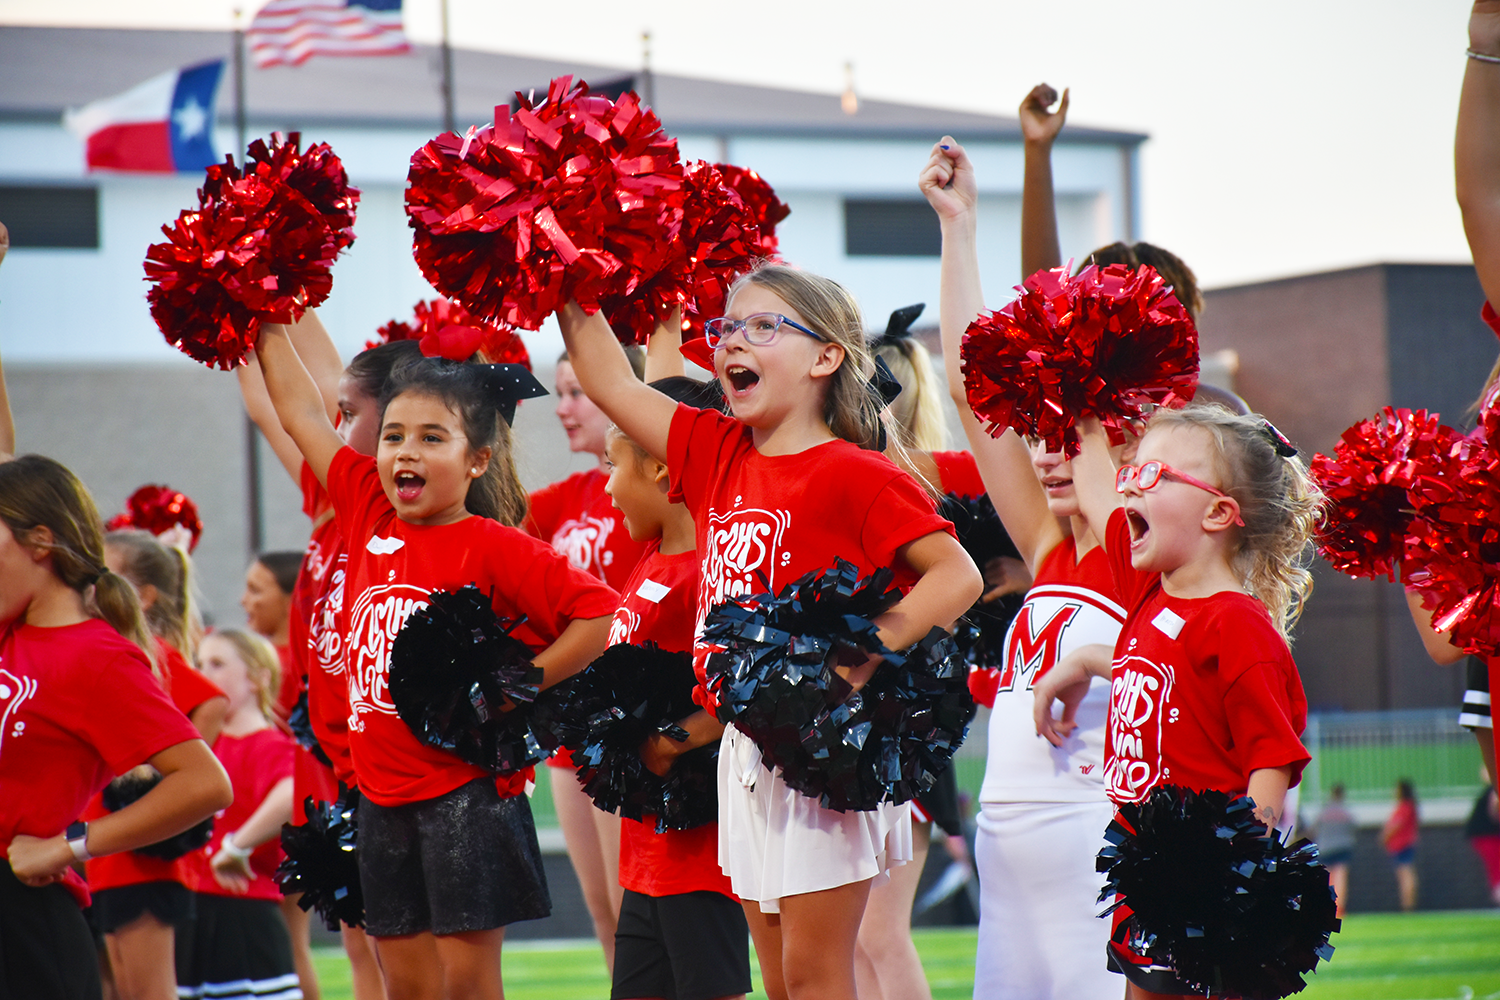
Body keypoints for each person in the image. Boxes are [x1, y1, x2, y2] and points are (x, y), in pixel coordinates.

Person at [557, 263, 982, 1000]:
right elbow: (611, 385)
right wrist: (559, 267)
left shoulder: (855, 472)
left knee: (817, 978)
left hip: (819, 754)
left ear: (825, 358)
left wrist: (855, 658)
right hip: (741, 749)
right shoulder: (714, 450)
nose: (730, 343)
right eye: (726, 328)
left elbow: (957, 575)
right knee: (783, 982)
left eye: (762, 327)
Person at [254, 319, 619, 1000]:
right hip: (377, 795)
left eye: (430, 438)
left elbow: (599, 614)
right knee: (406, 986)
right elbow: (301, 412)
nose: (403, 453)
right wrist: (261, 316)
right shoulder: (364, 506)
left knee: (467, 984)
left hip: (465, 797)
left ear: (477, 459)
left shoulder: (491, 544)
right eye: (392, 436)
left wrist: (513, 689)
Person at [920, 134, 1128, 1000]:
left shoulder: (1127, 555)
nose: (1045, 453)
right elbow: (972, 392)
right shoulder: (1050, 552)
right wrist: (959, 228)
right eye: (1039, 435)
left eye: (1068, 435)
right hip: (1008, 867)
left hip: (1096, 856)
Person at [1031, 406, 1319, 999]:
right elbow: (1170, 672)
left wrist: (1244, 876)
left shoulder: (1236, 624)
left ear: (1217, 512)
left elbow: (1271, 757)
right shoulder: (1150, 591)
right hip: (1144, 862)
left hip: (1205, 876)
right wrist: (1086, 660)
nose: (1130, 482)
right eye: (1131, 470)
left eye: (1154, 474)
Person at [0, 454, 232, 1000]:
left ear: (39, 542)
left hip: (23, 921)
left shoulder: (95, 657)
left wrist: (68, 846)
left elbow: (204, 784)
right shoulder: (9, 631)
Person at [239, 315, 416, 1000]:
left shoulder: (390, 507)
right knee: (355, 935)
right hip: (324, 745)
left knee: (394, 942)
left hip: (378, 745)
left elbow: (307, 403)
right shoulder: (327, 501)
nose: (332, 425)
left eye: (349, 414)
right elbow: (272, 406)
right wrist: (256, 301)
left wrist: (285, 294)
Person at [599, 376, 753, 1000]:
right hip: (644, 855)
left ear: (664, 471)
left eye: (613, 466)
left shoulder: (709, 571)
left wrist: (667, 742)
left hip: (699, 856)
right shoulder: (655, 555)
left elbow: (743, 685)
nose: (606, 487)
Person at [526, 346, 649, 973]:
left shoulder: (648, 484)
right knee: (603, 911)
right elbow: (489, 520)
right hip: (571, 725)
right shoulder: (561, 499)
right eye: (560, 392)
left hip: (631, 719)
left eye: (577, 392)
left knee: (638, 910)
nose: (563, 408)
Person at [83, 529, 228, 1000]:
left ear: (142, 596)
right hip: (107, 853)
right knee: (123, 985)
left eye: (105, 573)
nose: (91, 584)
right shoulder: (117, 655)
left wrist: (155, 783)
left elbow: (211, 701)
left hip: (142, 859)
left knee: (148, 990)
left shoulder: (152, 659)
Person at [177, 629, 300, 1000]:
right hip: (191, 909)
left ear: (259, 677)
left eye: (217, 664)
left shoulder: (272, 745)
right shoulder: (201, 745)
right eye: (199, 664)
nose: (204, 673)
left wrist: (237, 846)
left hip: (245, 913)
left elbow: (293, 794)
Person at [1314, 783, 1356, 919]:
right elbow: (1352, 828)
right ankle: (1340, 908)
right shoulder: (1345, 812)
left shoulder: (1324, 811)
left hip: (1325, 848)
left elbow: (1315, 828)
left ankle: (1326, 906)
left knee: (1327, 878)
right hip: (1342, 847)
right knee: (1341, 877)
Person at [1382, 779, 1419, 912]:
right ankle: (1407, 904)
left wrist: (1385, 836)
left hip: (1402, 845)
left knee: (1405, 875)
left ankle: (1408, 905)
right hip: (1403, 844)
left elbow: (1396, 825)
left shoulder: (1405, 806)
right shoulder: (1410, 806)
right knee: (1406, 875)